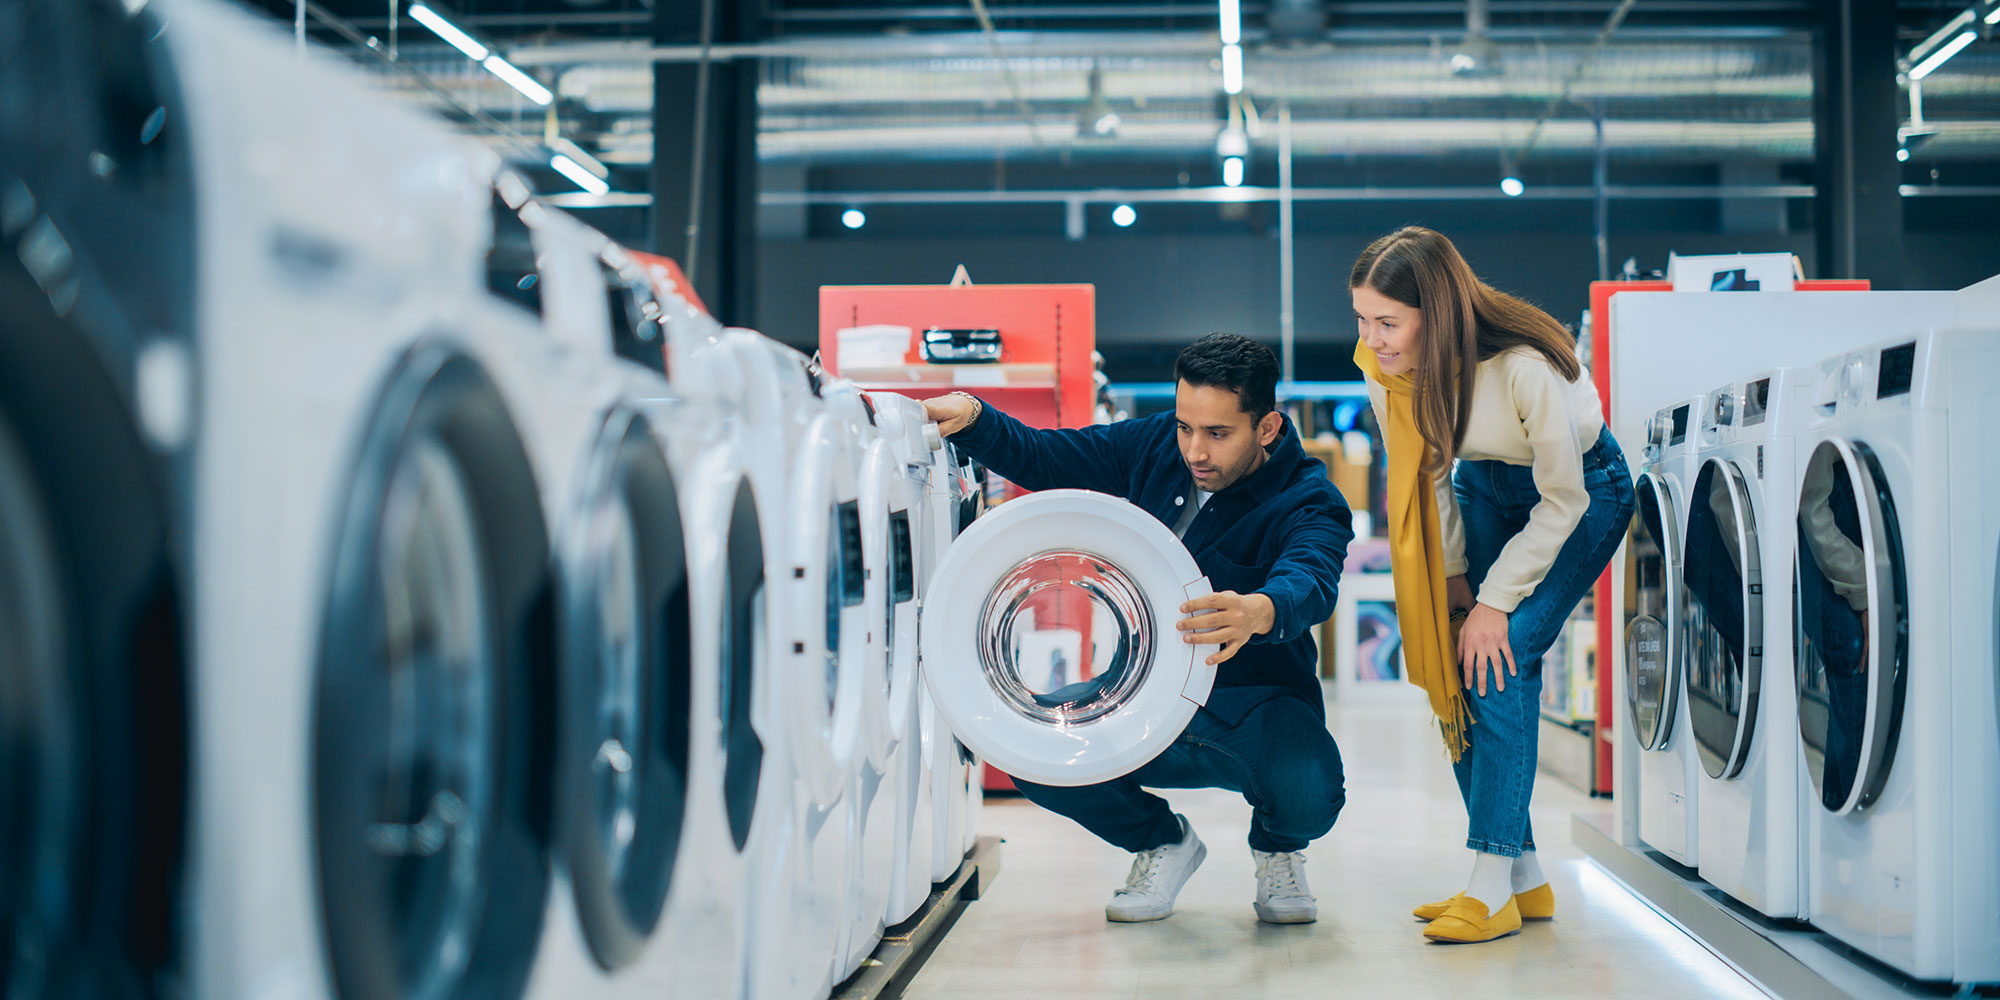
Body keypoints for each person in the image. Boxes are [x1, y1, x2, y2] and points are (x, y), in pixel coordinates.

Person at [924, 333, 1353, 925]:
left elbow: (1312, 577)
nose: (1195, 450)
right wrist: (975, 418)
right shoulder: (1154, 445)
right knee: (1028, 751)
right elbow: (1047, 457)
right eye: (1185, 426)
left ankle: (1278, 849)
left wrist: (1261, 610)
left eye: (1218, 434)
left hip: (1256, 705)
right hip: (1140, 695)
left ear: (1268, 428)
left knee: (1311, 791)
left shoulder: (1310, 497)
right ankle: (1163, 843)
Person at [1350, 227, 1634, 944]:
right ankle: (1523, 880)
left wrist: (1496, 601)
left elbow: (1563, 501)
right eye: (1363, 319)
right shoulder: (1394, 371)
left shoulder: (1523, 365)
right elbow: (1426, 473)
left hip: (1582, 494)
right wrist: (1452, 582)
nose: (1373, 339)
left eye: (1388, 322)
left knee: (1499, 660)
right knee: (1457, 658)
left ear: (1435, 313)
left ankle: (1488, 883)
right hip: (1484, 485)